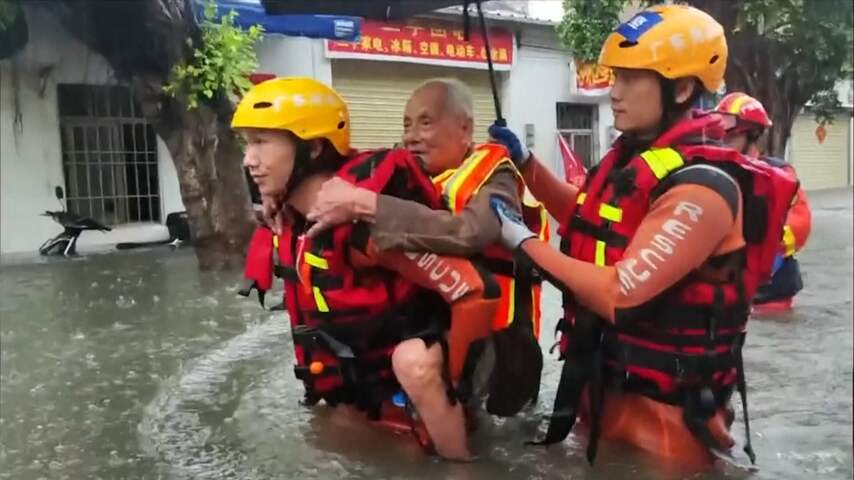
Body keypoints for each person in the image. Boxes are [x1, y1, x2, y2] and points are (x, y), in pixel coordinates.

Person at [487, 4, 798, 468]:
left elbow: (621, 294)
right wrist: (528, 165)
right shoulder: (634, 162)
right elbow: (590, 221)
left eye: (631, 79)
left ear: (684, 86)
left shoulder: (704, 187)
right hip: (603, 399)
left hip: (665, 434)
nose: (614, 93)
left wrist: (522, 241)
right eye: (615, 77)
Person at [234, 77, 503, 460]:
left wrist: (450, 383)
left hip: (419, 396)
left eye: (261, 142)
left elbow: (476, 291)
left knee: (415, 363)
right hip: (355, 394)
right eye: (247, 143)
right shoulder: (291, 220)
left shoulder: (363, 230)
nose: (248, 159)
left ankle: (461, 464)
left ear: (311, 148)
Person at [305, 78, 548, 418]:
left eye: (426, 122)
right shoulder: (409, 175)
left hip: (495, 342)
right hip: (433, 325)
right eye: (406, 125)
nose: (411, 136)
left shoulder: (495, 178)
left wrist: (368, 204)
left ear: (465, 128)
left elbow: (470, 233)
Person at [715, 92, 812, 312]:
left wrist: (758, 242)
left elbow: (800, 225)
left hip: (771, 293)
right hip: (725, 290)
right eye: (720, 136)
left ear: (752, 134)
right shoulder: (712, 172)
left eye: (729, 137)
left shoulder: (780, 175)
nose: (722, 143)